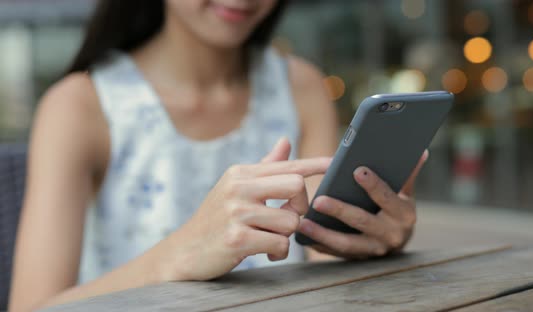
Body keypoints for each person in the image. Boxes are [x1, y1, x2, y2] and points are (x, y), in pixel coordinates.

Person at [9, 0, 427, 311]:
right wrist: (177, 256)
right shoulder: (81, 106)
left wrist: (372, 238)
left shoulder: (300, 87)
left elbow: (322, 253)